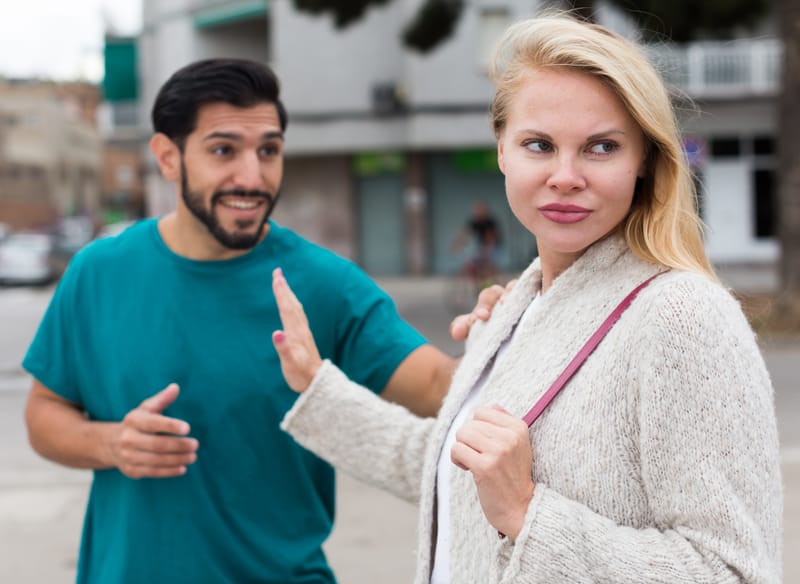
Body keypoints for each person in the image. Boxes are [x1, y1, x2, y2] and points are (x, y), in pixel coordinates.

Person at [271, 13, 783, 584]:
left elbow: (732, 573)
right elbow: (457, 472)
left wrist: (529, 515)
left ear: (644, 161)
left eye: (601, 147)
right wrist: (320, 390)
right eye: (539, 145)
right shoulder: (518, 303)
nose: (565, 176)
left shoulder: (682, 316)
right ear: (501, 152)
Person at [22, 58, 501, 583]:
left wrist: (515, 332)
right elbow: (45, 414)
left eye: (268, 150)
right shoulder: (99, 273)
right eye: (223, 150)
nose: (252, 177)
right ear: (167, 157)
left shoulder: (324, 284)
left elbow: (438, 384)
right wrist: (110, 443)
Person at [450, 200, 501, 284]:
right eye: (476, 209)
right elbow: (464, 235)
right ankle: (478, 284)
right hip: (481, 245)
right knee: (473, 262)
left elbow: (491, 238)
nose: (478, 212)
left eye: (480, 209)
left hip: (494, 246)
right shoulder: (473, 221)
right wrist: (456, 246)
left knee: (489, 264)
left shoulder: (490, 222)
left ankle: (493, 283)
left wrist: (487, 251)